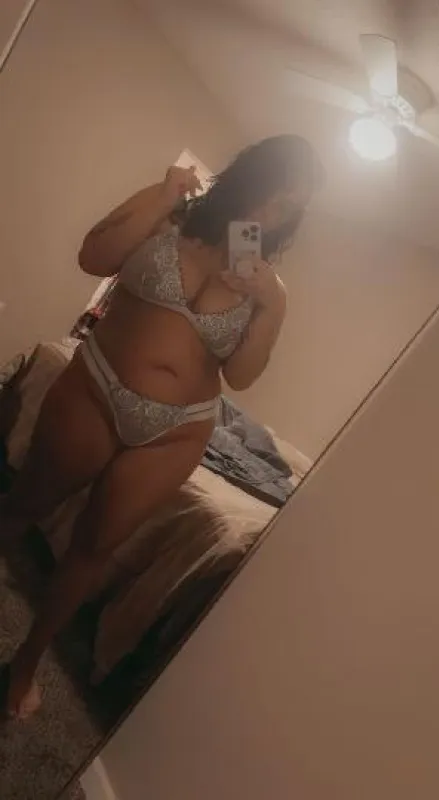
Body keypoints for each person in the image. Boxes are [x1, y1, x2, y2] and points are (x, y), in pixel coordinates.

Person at [0, 134, 324, 718]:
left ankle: (26, 663)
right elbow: (93, 257)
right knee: (28, 501)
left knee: (94, 548)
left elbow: (242, 375)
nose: (275, 213)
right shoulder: (175, 210)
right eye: (275, 192)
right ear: (251, 174)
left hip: (178, 429)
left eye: (291, 208)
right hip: (98, 387)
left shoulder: (265, 284)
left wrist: (270, 306)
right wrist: (160, 196)